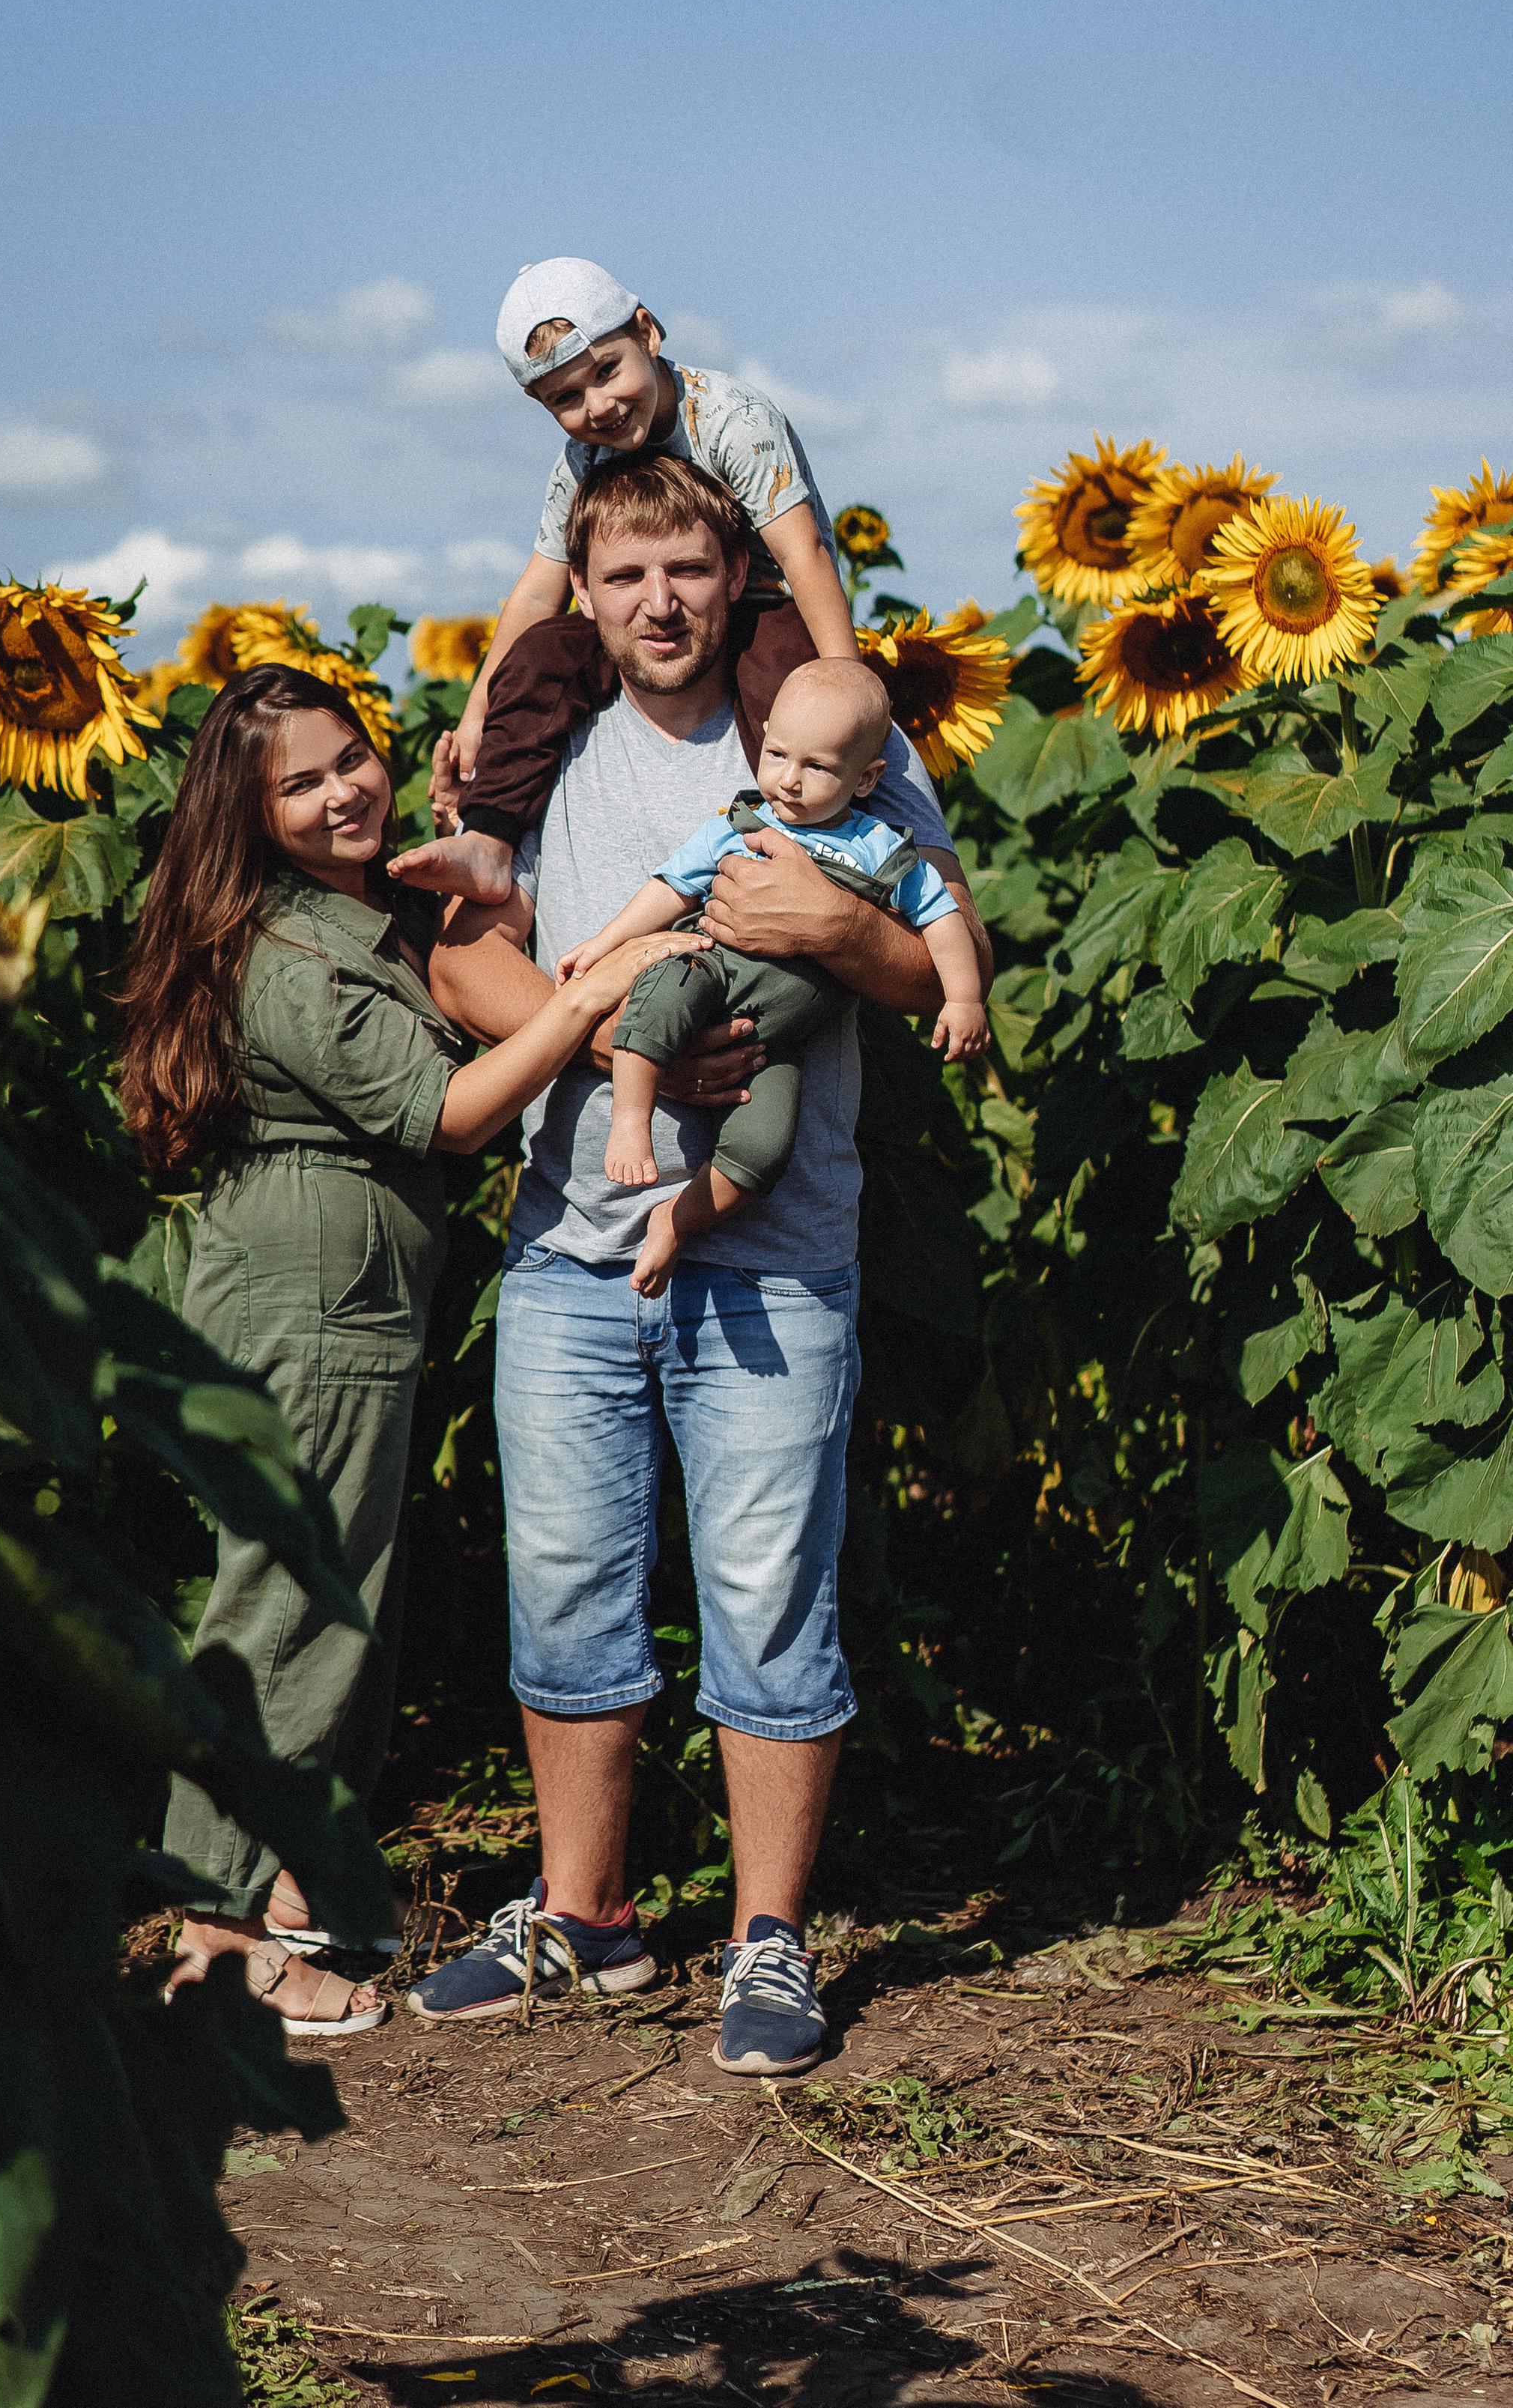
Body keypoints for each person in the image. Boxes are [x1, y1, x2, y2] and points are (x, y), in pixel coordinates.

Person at [405, 455, 992, 2074]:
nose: (656, 602)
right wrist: (598, 1015)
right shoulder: (536, 744)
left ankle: (765, 1939)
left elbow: (937, 949)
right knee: (571, 1582)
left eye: (684, 569)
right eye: (623, 577)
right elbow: (458, 947)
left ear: (729, 575)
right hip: (571, 1246)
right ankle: (583, 1911)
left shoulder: (823, 724)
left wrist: (817, 925)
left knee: (763, 1589)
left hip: (775, 1250)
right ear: (582, 593)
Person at [114, 663, 705, 2039]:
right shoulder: (290, 953)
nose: (342, 793)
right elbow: (445, 1112)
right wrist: (588, 998)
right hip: (307, 1307)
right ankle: (216, 1936)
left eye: (352, 758)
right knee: (289, 1609)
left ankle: (265, 1896)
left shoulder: (343, 914)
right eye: (301, 783)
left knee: (327, 1597)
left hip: (336, 1295)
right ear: (247, 813)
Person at [389, 257, 861, 909]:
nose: (600, 406)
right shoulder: (581, 460)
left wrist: (848, 686)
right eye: (567, 398)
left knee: (790, 693)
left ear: (648, 332)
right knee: (542, 657)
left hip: (762, 600)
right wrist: (478, 711)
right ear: (539, 402)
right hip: (642, 617)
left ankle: (816, 848)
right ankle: (491, 838)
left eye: (608, 371)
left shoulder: (731, 421)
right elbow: (536, 590)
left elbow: (804, 552)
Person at [560, 658, 990, 1297]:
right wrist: (605, 941)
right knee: (662, 996)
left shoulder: (877, 849)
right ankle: (631, 1116)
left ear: (868, 777)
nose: (788, 780)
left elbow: (943, 919)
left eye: (816, 767)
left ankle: (676, 1220)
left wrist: (963, 996)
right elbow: (670, 888)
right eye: (778, 753)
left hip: (776, 1042)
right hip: (709, 965)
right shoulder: (742, 824)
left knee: (763, 1153)